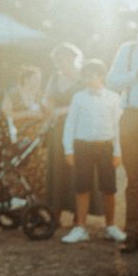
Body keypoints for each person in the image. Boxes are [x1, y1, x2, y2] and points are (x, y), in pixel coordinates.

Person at [60, 60, 126, 244]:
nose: (89, 79)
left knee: (109, 188)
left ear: (101, 76)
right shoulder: (78, 98)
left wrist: (117, 152)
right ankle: (80, 227)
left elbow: (117, 126)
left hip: (106, 147)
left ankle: (111, 226)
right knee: (82, 187)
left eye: (93, 75)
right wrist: (69, 149)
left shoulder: (113, 98)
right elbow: (70, 124)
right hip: (83, 147)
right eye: (86, 75)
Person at [43, 43, 103, 224]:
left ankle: (79, 214)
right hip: (58, 130)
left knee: (78, 170)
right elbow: (47, 98)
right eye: (57, 60)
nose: (60, 64)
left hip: (80, 130)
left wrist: (62, 110)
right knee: (58, 169)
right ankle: (56, 212)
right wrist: (49, 107)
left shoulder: (84, 79)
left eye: (63, 59)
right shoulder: (54, 78)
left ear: (72, 59)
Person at [107, 18, 138, 254]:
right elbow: (111, 82)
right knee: (134, 181)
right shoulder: (127, 50)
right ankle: (133, 235)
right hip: (131, 118)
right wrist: (137, 74)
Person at [1, 65, 48, 198]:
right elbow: (7, 114)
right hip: (19, 133)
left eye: (39, 79)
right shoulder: (12, 94)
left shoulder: (40, 95)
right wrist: (29, 114)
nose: (38, 82)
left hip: (39, 135)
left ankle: (39, 194)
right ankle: (19, 194)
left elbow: (47, 114)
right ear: (26, 79)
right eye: (35, 79)